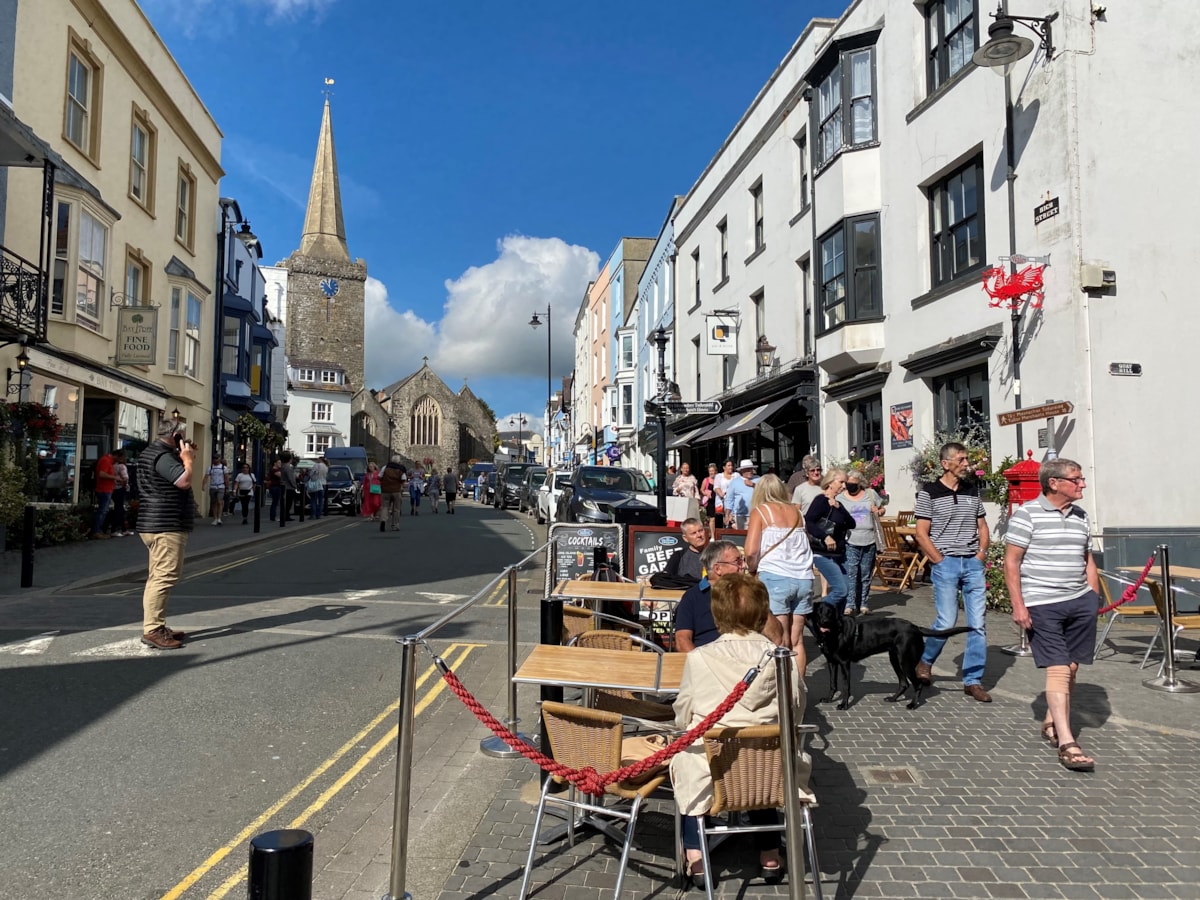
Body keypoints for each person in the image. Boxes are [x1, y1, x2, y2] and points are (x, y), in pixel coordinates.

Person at [670, 573, 806, 887]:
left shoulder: (700, 657)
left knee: (690, 760)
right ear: (762, 612)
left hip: (714, 766)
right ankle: (770, 855)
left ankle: (697, 857)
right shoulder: (781, 658)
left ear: (718, 614)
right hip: (770, 771)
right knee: (761, 755)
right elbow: (796, 707)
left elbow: (683, 713)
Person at [1004, 458, 1100, 771]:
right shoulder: (1026, 515)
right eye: (1077, 479)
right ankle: (1067, 741)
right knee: (1059, 667)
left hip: (1080, 601)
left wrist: (1093, 598)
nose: (1082, 484)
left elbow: (1087, 559)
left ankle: (1049, 722)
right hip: (1042, 603)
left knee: (1072, 666)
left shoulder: (1081, 515)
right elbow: (1012, 563)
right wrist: (1019, 604)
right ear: (1054, 483)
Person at [913, 441, 992, 703]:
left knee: (977, 625)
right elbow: (921, 533)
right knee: (947, 621)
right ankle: (925, 661)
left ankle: (973, 680)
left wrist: (981, 554)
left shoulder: (972, 490)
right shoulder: (929, 492)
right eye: (961, 459)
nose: (966, 464)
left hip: (972, 563)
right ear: (945, 464)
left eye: (967, 459)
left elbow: (982, 525)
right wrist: (939, 559)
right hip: (946, 563)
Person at [135, 418, 196, 650]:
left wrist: (186, 459)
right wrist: (187, 460)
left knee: (158, 576)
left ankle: (156, 625)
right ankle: (153, 629)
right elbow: (184, 481)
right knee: (164, 577)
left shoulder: (156, 453)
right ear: (175, 436)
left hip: (158, 523)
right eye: (183, 435)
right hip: (165, 524)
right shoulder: (162, 456)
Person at [745, 473, 814, 669]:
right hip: (803, 577)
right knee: (798, 640)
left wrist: (752, 569)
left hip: (775, 577)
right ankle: (798, 694)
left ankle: (783, 693)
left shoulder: (761, 512)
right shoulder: (797, 514)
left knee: (779, 640)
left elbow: (750, 551)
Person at [674, 540, 782, 651]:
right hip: (709, 659)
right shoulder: (693, 597)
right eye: (738, 561)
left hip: (749, 658)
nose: (744, 566)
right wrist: (701, 663)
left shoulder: (749, 593)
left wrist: (757, 601)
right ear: (718, 569)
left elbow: (776, 638)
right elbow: (682, 640)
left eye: (743, 560)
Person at [805, 469, 856, 614]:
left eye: (845, 482)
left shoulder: (838, 504)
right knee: (840, 590)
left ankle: (836, 623)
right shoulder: (820, 500)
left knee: (845, 593)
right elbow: (809, 521)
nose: (844, 486)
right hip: (823, 553)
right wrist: (825, 537)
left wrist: (839, 509)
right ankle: (816, 613)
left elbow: (852, 523)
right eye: (841, 482)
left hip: (840, 554)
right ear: (830, 482)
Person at [838, 469, 887, 615]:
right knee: (852, 573)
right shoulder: (841, 498)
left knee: (865, 574)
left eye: (853, 483)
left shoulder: (871, 494)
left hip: (869, 539)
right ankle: (850, 604)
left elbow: (882, 508)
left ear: (860, 483)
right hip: (850, 540)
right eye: (848, 483)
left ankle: (863, 603)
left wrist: (878, 511)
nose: (850, 486)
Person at [660, 517, 710, 584]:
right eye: (693, 533)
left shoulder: (715, 554)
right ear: (685, 538)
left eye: (700, 531)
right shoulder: (678, 556)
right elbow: (665, 579)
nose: (699, 535)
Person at [723, 459, 758, 530]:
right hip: (741, 516)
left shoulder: (759, 479)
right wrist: (727, 515)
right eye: (747, 469)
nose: (750, 471)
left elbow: (766, 492)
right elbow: (729, 499)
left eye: (751, 469)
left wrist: (754, 485)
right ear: (742, 471)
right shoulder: (735, 482)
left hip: (757, 515)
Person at [91, 448, 117, 539]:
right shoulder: (106, 461)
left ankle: (99, 530)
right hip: (104, 489)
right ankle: (96, 531)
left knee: (104, 510)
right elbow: (102, 474)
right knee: (102, 511)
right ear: (115, 456)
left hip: (107, 489)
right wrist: (114, 477)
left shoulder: (108, 461)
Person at [379, 455, 406, 530]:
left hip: (385, 490)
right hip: (396, 491)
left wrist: (384, 482)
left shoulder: (385, 467)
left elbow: (379, 476)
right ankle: (395, 525)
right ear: (398, 461)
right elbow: (403, 478)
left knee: (385, 507)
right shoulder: (401, 469)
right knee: (396, 508)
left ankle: (383, 520)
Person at [110, 450, 132, 536]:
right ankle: (115, 529)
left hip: (113, 488)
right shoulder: (122, 466)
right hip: (120, 488)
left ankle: (123, 528)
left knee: (119, 508)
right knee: (119, 508)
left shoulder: (113, 466)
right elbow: (125, 478)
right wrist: (125, 484)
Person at [202, 455, 228, 525]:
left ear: (219, 459)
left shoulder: (223, 468)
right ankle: (215, 518)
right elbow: (206, 477)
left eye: (216, 458)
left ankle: (219, 518)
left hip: (221, 486)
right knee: (214, 502)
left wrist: (227, 487)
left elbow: (226, 478)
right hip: (213, 486)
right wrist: (203, 485)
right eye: (214, 458)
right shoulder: (210, 468)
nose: (215, 460)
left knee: (219, 501)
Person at [712, 459, 736, 529]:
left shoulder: (736, 475)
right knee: (720, 523)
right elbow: (716, 487)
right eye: (728, 465)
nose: (730, 467)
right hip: (721, 503)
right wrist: (722, 495)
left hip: (733, 503)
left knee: (732, 522)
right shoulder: (719, 476)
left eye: (731, 465)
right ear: (724, 467)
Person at [700, 462, 720, 534]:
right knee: (712, 518)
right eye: (710, 471)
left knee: (719, 518)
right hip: (710, 501)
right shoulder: (706, 480)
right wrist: (706, 493)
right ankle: (712, 535)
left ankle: (718, 533)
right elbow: (701, 490)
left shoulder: (719, 479)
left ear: (716, 471)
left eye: (713, 471)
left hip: (719, 501)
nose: (712, 472)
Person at [280, 453, 299, 523]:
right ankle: (286, 516)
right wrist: (295, 486)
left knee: (287, 503)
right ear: (289, 459)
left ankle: (286, 515)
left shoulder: (283, 466)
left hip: (285, 486)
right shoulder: (288, 467)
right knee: (288, 503)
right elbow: (290, 478)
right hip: (289, 487)